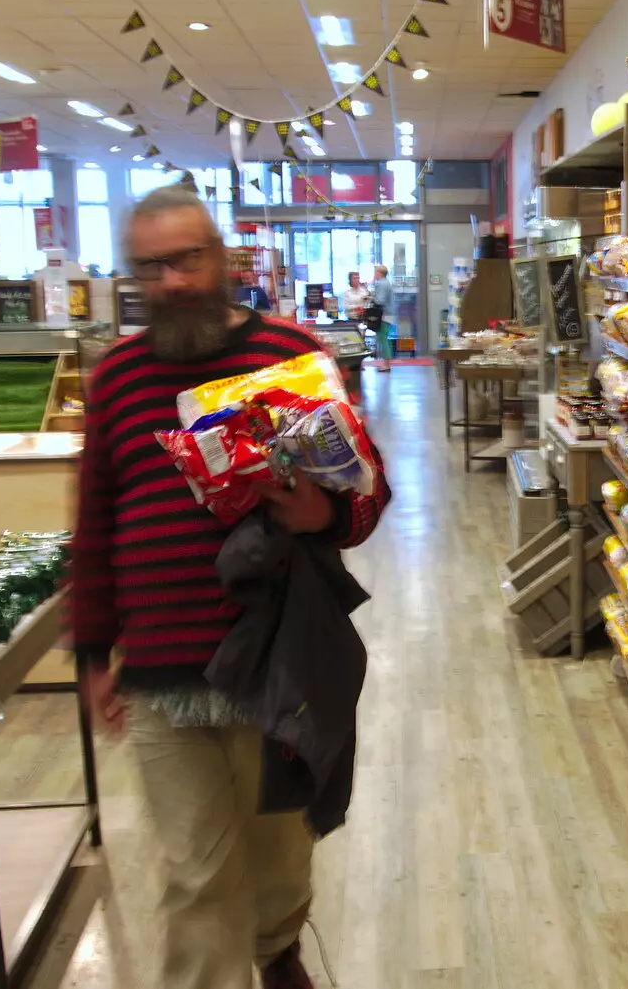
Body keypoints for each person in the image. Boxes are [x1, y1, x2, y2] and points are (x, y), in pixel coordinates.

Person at [71, 186, 390, 989]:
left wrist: (323, 511)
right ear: (133, 275)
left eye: (188, 257)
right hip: (161, 672)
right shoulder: (114, 379)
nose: (172, 279)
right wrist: (89, 651)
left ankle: (278, 947)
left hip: (274, 662)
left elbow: (368, 492)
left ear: (222, 258)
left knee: (280, 850)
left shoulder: (288, 353)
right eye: (152, 265)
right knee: (194, 872)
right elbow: (95, 524)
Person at [368, 265, 394, 372]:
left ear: (379, 273)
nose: (374, 274)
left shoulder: (381, 284)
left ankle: (386, 365)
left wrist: (371, 297)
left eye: (375, 272)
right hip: (389, 314)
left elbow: (380, 300)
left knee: (382, 338)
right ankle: (386, 363)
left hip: (384, 315)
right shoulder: (387, 282)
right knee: (384, 338)